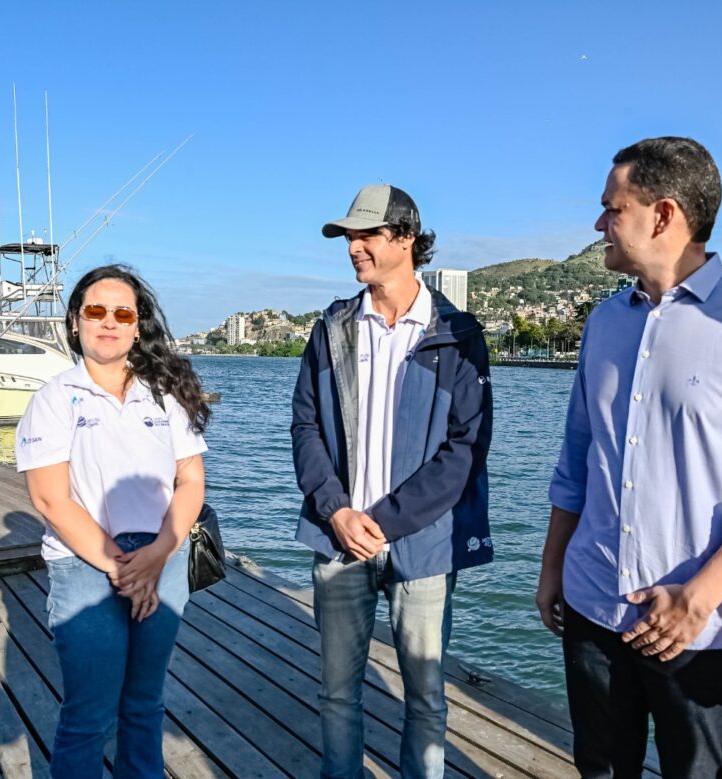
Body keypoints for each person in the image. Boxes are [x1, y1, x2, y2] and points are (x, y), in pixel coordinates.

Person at [537, 137, 722, 777]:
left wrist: (697, 599)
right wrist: (552, 566)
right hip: (592, 606)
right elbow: (578, 458)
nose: (598, 224)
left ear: (664, 215)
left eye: (612, 208)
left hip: (705, 631)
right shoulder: (604, 323)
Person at [292, 184, 494, 778]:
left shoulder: (460, 335)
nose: (353, 247)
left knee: (427, 697)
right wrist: (335, 510)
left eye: (367, 234)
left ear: (406, 238)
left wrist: (382, 521)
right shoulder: (330, 327)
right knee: (335, 693)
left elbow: (467, 448)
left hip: (424, 545)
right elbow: (304, 424)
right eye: (349, 236)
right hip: (338, 539)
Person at [15, 264, 209, 777]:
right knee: (89, 713)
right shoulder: (54, 399)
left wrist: (160, 553)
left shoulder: (164, 393)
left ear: (138, 324)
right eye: (95, 311)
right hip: (87, 567)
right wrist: (125, 569)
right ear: (75, 322)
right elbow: (51, 499)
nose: (109, 322)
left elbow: (191, 481)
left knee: (145, 703)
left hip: (163, 559)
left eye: (122, 312)